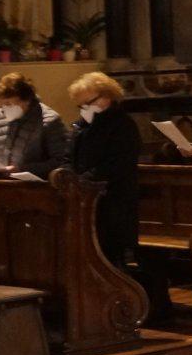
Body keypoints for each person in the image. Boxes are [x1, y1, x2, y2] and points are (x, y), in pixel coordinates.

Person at [67, 72, 168, 325]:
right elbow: (72, 158)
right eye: (80, 105)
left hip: (114, 201)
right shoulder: (83, 126)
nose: (84, 109)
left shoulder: (122, 125)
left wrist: (85, 180)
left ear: (106, 98)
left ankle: (124, 310)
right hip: (87, 200)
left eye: (88, 102)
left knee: (112, 256)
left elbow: (117, 165)